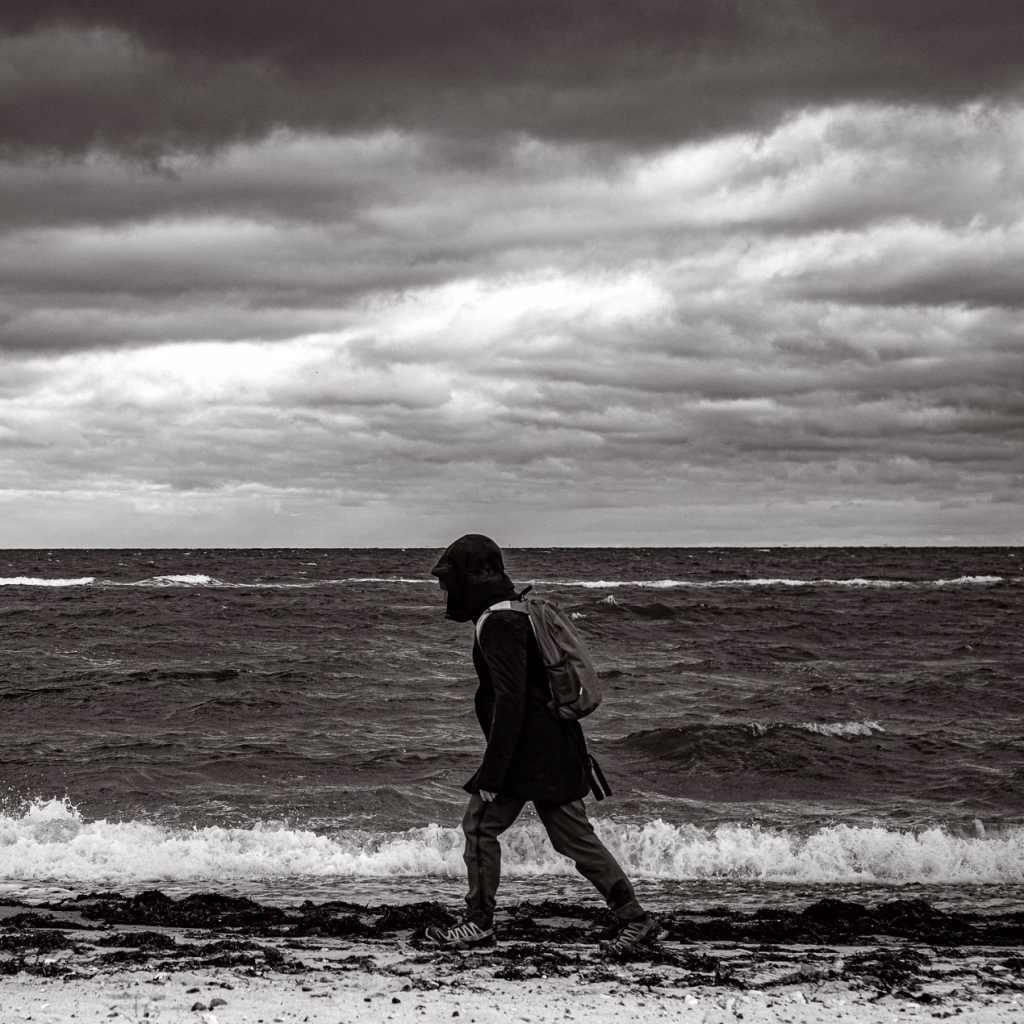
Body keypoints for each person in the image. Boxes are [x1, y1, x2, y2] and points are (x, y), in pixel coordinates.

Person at [424, 533, 659, 953]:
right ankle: (635, 920)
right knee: (574, 839)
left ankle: (478, 923)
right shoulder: (514, 611)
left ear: (476, 577)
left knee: (479, 827)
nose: (446, 591)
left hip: (526, 753)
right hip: (556, 746)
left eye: (449, 582)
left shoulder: (499, 623)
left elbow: (510, 702)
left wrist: (493, 772)